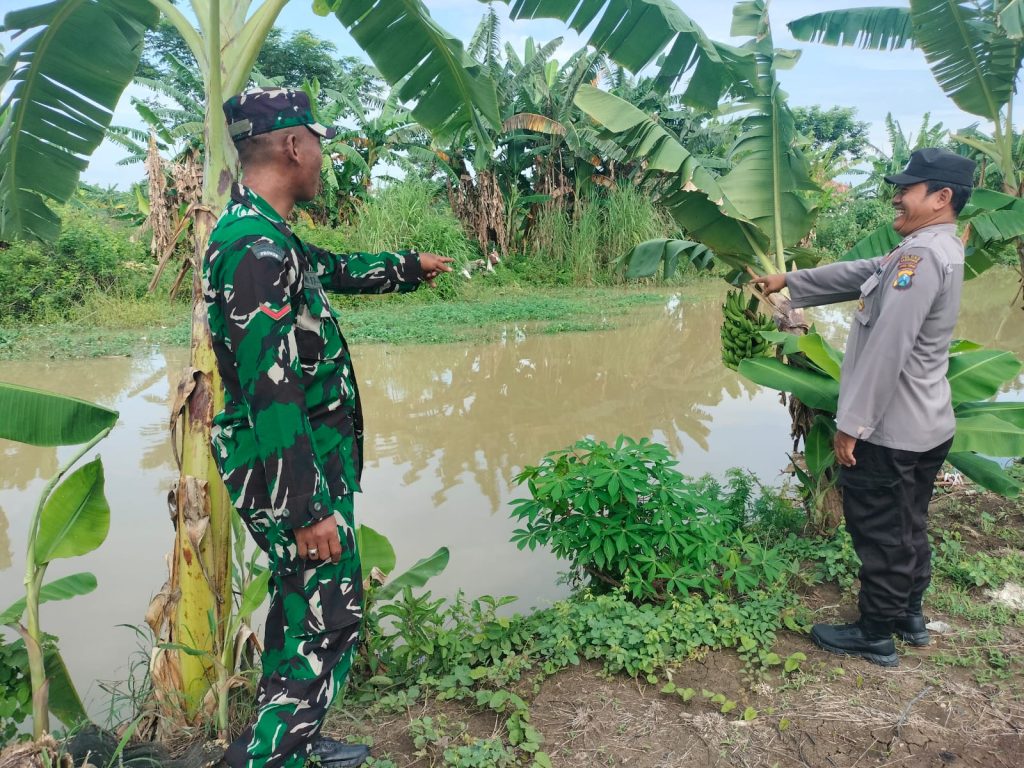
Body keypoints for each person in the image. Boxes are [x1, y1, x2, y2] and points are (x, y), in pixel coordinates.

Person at [202, 87, 453, 768]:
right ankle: (274, 758)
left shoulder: (270, 236)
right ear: (292, 146)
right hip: (291, 474)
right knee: (328, 618)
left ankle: (294, 742)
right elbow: (271, 393)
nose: (323, 156)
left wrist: (406, 268)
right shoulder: (252, 250)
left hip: (306, 462)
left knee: (300, 610)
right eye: (319, 142)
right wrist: (309, 510)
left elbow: (332, 269)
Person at [754, 148, 976, 667]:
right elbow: (865, 271)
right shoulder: (933, 248)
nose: (897, 196)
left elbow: (886, 349)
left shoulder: (918, 260)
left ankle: (875, 632)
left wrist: (852, 426)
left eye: (909, 188)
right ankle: (909, 617)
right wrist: (792, 283)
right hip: (927, 422)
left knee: (880, 530)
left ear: (941, 197)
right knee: (908, 523)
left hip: (891, 428)